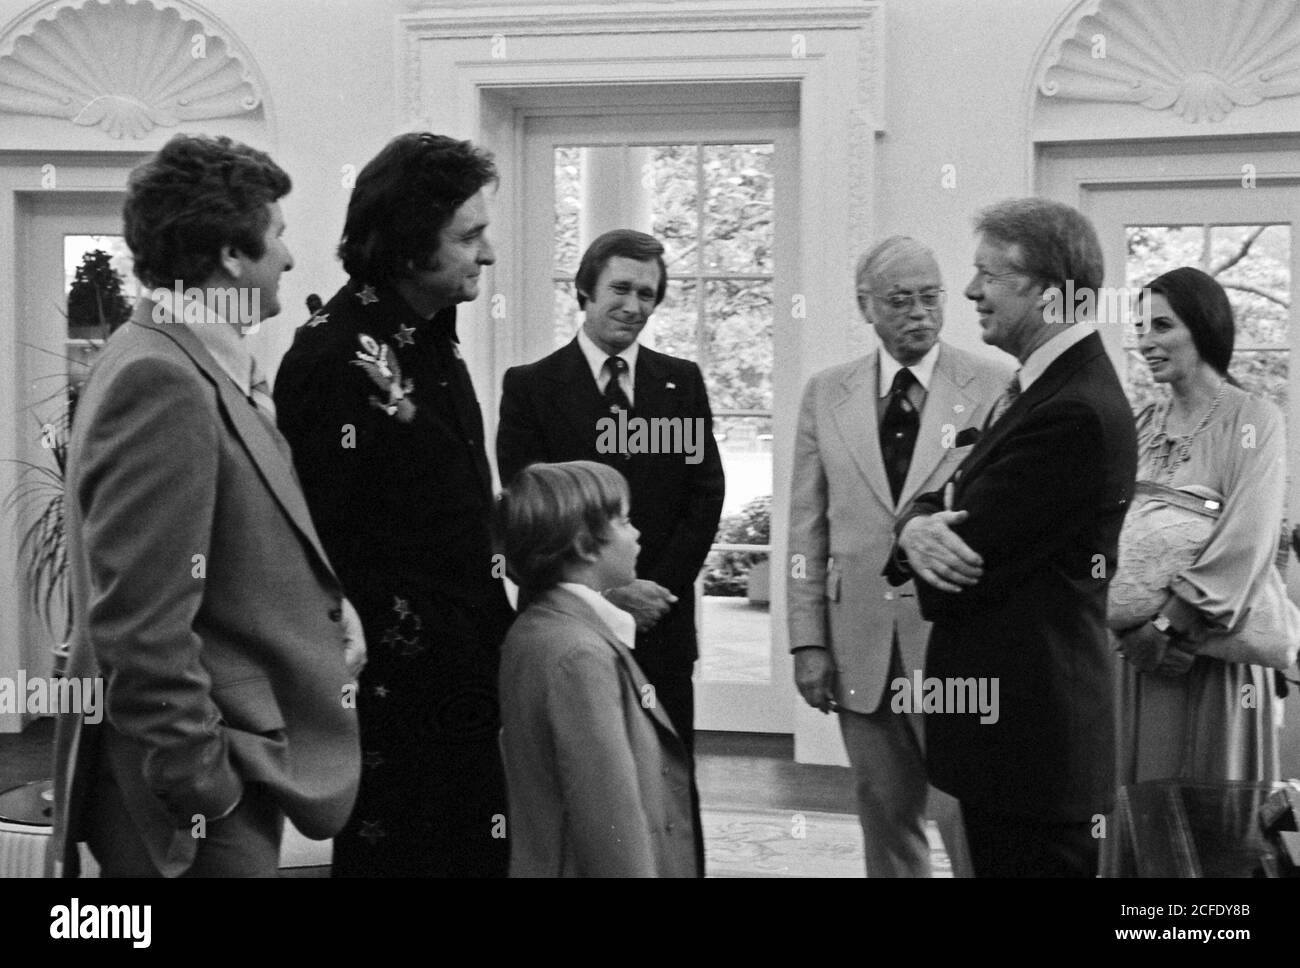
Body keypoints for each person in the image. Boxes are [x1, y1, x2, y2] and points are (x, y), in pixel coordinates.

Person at [50, 134, 363, 877]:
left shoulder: (183, 360)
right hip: (188, 808)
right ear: (230, 253)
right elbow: (141, 625)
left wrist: (328, 603)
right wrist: (206, 790)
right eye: (279, 235)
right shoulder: (161, 380)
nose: (290, 257)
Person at [274, 133, 512, 877]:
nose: (488, 254)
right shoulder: (331, 358)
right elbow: (322, 555)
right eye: (469, 236)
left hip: (465, 680)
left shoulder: (435, 338)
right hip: (393, 703)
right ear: (411, 247)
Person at [887, 198, 1138, 877]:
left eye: (989, 275)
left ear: (1051, 294)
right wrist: (915, 526)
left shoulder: (1075, 411)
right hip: (1018, 739)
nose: (970, 291)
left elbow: (960, 568)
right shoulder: (1043, 389)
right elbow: (944, 498)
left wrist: (922, 533)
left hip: (1032, 742)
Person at [496, 229, 725, 871]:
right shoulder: (533, 387)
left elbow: (704, 494)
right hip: (569, 626)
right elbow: (529, 505)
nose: (633, 304)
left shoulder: (679, 384)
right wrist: (606, 595)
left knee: (667, 784)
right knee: (593, 791)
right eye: (620, 288)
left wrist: (655, 589)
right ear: (585, 291)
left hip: (662, 622)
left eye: (648, 294)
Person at [788, 237, 1010, 877]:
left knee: (968, 816)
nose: (920, 313)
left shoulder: (996, 384)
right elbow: (806, 526)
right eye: (900, 300)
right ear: (867, 307)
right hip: (857, 639)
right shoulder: (826, 393)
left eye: (931, 298)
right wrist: (808, 642)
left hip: (954, 640)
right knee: (884, 815)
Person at [1115, 266, 1284, 783]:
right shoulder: (1139, 424)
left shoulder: (1253, 418)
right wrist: (1134, 633)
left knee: (1212, 826)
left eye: (1162, 326)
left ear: (1204, 326)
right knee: (1141, 817)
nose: (1146, 341)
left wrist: (1168, 628)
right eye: (1141, 328)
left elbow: (1248, 540)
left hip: (1213, 658)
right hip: (1139, 656)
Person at [495, 461, 698, 877]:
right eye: (624, 521)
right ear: (586, 545)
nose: (636, 533)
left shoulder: (539, 629)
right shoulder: (579, 656)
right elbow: (611, 819)